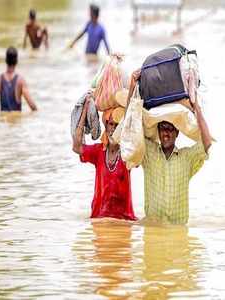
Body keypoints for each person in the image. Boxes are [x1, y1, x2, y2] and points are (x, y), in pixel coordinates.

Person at [127, 70, 212, 225]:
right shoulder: (149, 151)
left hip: (178, 231)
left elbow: (206, 144)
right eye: (163, 128)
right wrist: (132, 87)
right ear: (158, 131)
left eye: (170, 129)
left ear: (177, 133)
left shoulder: (187, 157)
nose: (166, 133)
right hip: (153, 231)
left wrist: (197, 109)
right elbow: (130, 130)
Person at [72, 99, 136, 220]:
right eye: (111, 124)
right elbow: (77, 147)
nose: (113, 129)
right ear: (106, 126)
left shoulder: (127, 153)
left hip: (124, 221)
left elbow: (139, 147)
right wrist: (85, 110)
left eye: (117, 126)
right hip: (99, 218)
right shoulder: (98, 151)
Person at [0, 47, 37, 112]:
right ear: (16, 61)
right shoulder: (20, 81)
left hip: (3, 121)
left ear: (6, 60)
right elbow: (32, 106)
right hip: (16, 121)